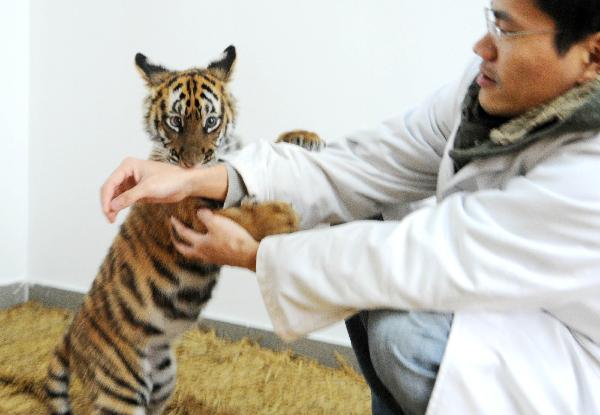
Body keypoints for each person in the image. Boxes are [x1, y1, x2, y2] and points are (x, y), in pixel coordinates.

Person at [101, 1, 600, 413]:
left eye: (508, 31)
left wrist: (259, 256)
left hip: (568, 364)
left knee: (403, 336)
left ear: (592, 56)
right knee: (359, 228)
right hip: (504, 298)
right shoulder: (489, 84)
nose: (482, 46)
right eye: (490, 18)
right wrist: (204, 177)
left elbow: (425, 256)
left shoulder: (587, 174)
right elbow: (362, 164)